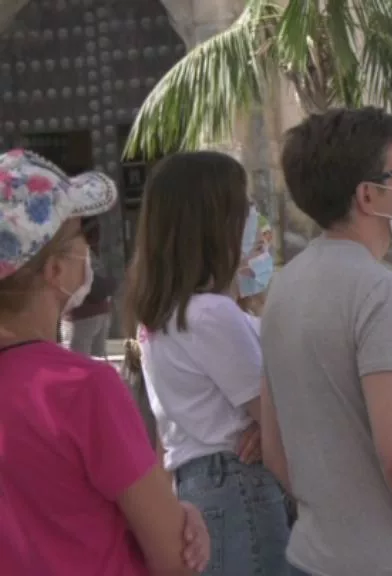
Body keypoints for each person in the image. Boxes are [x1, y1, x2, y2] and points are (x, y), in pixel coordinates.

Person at [260, 106, 392, 576]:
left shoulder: (282, 286)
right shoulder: (382, 293)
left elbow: (274, 450)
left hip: (310, 557)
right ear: (367, 195)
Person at [0, 148, 209, 575]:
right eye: (82, 237)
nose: (89, 251)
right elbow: (175, 557)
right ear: (55, 270)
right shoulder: (83, 387)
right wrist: (182, 517)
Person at [122, 151, 290, 576]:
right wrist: (265, 421)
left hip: (203, 483)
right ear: (215, 223)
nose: (254, 219)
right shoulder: (212, 313)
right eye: (245, 206)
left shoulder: (167, 314)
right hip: (239, 484)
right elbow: (276, 411)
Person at [64, 215, 118, 358]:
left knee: (78, 363)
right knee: (98, 360)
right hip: (102, 309)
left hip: (83, 314)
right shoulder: (94, 247)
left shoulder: (75, 249)